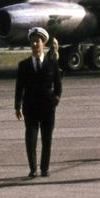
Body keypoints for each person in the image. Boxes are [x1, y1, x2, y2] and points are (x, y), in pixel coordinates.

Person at [14, 27, 61, 177]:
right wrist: (17, 105)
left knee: (47, 139)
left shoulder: (52, 63)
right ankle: (33, 168)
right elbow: (19, 87)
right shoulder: (24, 65)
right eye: (32, 42)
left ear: (44, 43)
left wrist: (55, 100)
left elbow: (58, 85)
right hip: (31, 107)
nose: (35, 44)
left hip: (48, 107)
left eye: (38, 41)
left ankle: (45, 168)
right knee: (31, 139)